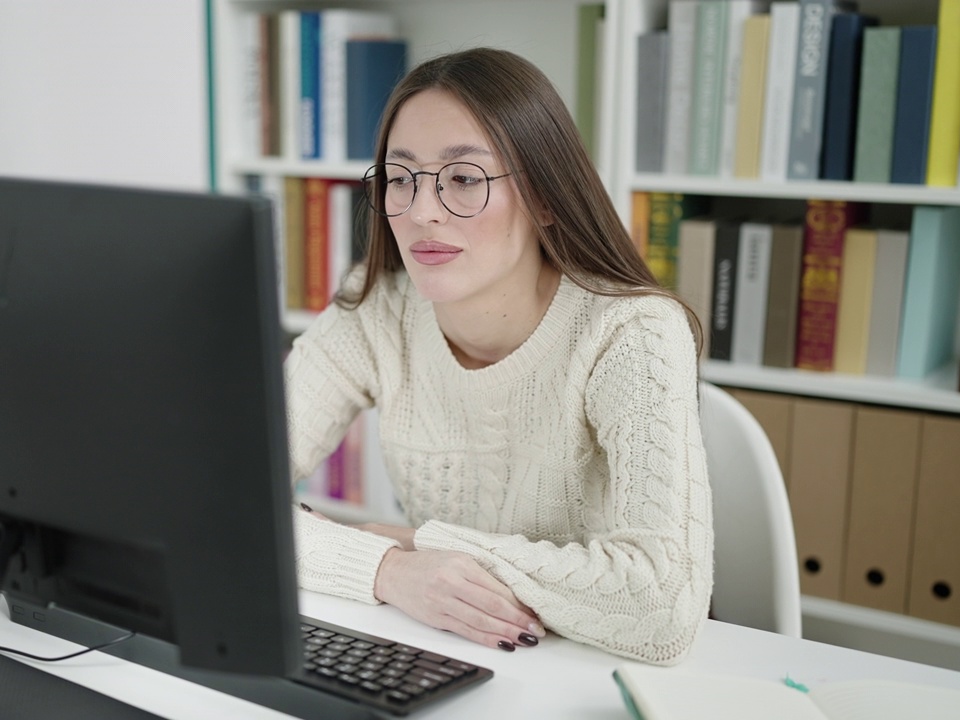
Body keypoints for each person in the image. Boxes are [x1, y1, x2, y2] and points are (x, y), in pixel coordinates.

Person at [283, 47, 712, 666]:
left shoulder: (631, 331)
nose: (421, 211)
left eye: (463, 178)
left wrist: (413, 542)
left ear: (544, 196)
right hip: (451, 653)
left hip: (599, 667)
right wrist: (389, 572)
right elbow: (221, 492)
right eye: (400, 179)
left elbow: (662, 606)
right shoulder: (376, 309)